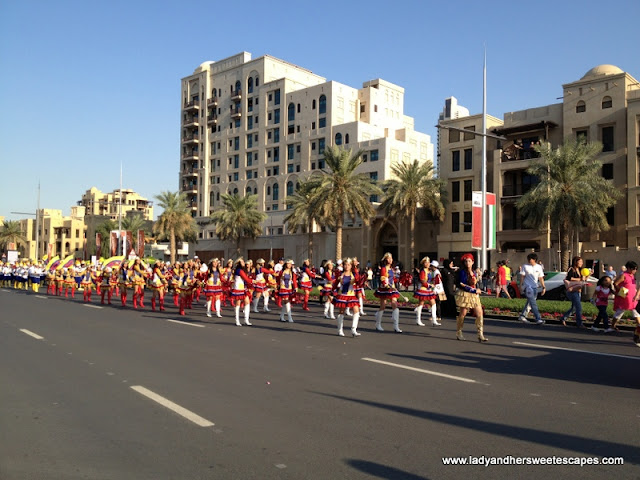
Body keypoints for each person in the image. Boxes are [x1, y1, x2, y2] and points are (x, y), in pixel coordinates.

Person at [454, 253, 487, 342]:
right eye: (466, 261)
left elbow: (475, 284)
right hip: (465, 294)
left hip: (474, 295)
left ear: (473, 262)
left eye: (469, 261)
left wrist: (477, 289)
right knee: (463, 313)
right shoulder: (462, 272)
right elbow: (462, 284)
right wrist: (473, 290)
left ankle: (480, 334)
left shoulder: (474, 272)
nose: (467, 263)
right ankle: (459, 332)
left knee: (479, 313)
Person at [332, 258, 362, 337]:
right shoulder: (340, 274)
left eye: (348, 265)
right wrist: (333, 291)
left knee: (356, 310)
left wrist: (356, 270)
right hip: (342, 295)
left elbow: (358, 281)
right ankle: (340, 329)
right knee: (341, 312)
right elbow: (335, 283)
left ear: (351, 266)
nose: (347, 266)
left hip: (351, 295)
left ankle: (353, 329)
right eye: (345, 264)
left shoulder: (354, 274)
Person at [611, 261, 640, 339]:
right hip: (625, 296)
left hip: (633, 296)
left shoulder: (632, 276)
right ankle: (613, 325)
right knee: (620, 311)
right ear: (629, 268)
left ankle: (639, 327)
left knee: (635, 311)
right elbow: (615, 283)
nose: (635, 271)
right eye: (634, 269)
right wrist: (621, 291)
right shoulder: (624, 275)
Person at [374, 252, 402, 333]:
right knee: (383, 306)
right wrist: (387, 285)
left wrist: (395, 285)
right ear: (386, 259)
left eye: (391, 258)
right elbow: (383, 279)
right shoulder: (383, 268)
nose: (390, 260)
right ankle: (378, 324)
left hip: (392, 289)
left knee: (395, 304)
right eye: (389, 258)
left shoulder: (391, 269)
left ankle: (396, 326)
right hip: (385, 289)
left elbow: (392, 279)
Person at [518, 253, 546, 325]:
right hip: (528, 287)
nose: (529, 260)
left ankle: (522, 316)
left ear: (534, 260)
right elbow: (522, 277)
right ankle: (538, 318)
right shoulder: (525, 266)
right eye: (528, 259)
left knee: (530, 302)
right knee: (533, 303)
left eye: (530, 259)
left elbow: (540, 278)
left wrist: (543, 287)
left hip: (535, 287)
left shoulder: (539, 267)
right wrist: (520, 286)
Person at [561, 256, 586, 328]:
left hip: (578, 290)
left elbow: (583, 280)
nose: (581, 263)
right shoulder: (571, 269)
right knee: (578, 307)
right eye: (580, 261)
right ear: (576, 262)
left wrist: (587, 275)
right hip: (572, 291)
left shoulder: (580, 270)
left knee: (574, 308)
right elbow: (569, 278)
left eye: (582, 262)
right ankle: (579, 323)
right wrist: (579, 279)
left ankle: (563, 318)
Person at [413, 257, 437, 327]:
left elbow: (432, 279)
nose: (428, 264)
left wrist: (433, 285)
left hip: (429, 290)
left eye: (428, 262)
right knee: (421, 304)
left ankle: (434, 320)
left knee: (433, 303)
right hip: (423, 289)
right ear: (423, 263)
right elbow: (422, 280)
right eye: (426, 262)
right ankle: (418, 319)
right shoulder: (422, 271)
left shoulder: (430, 271)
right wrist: (429, 286)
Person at [231, 258, 253, 326]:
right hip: (238, 289)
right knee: (238, 303)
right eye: (242, 262)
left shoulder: (242, 270)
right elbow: (246, 279)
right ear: (239, 264)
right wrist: (253, 281)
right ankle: (237, 320)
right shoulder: (239, 270)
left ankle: (246, 320)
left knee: (247, 302)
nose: (244, 263)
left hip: (242, 288)